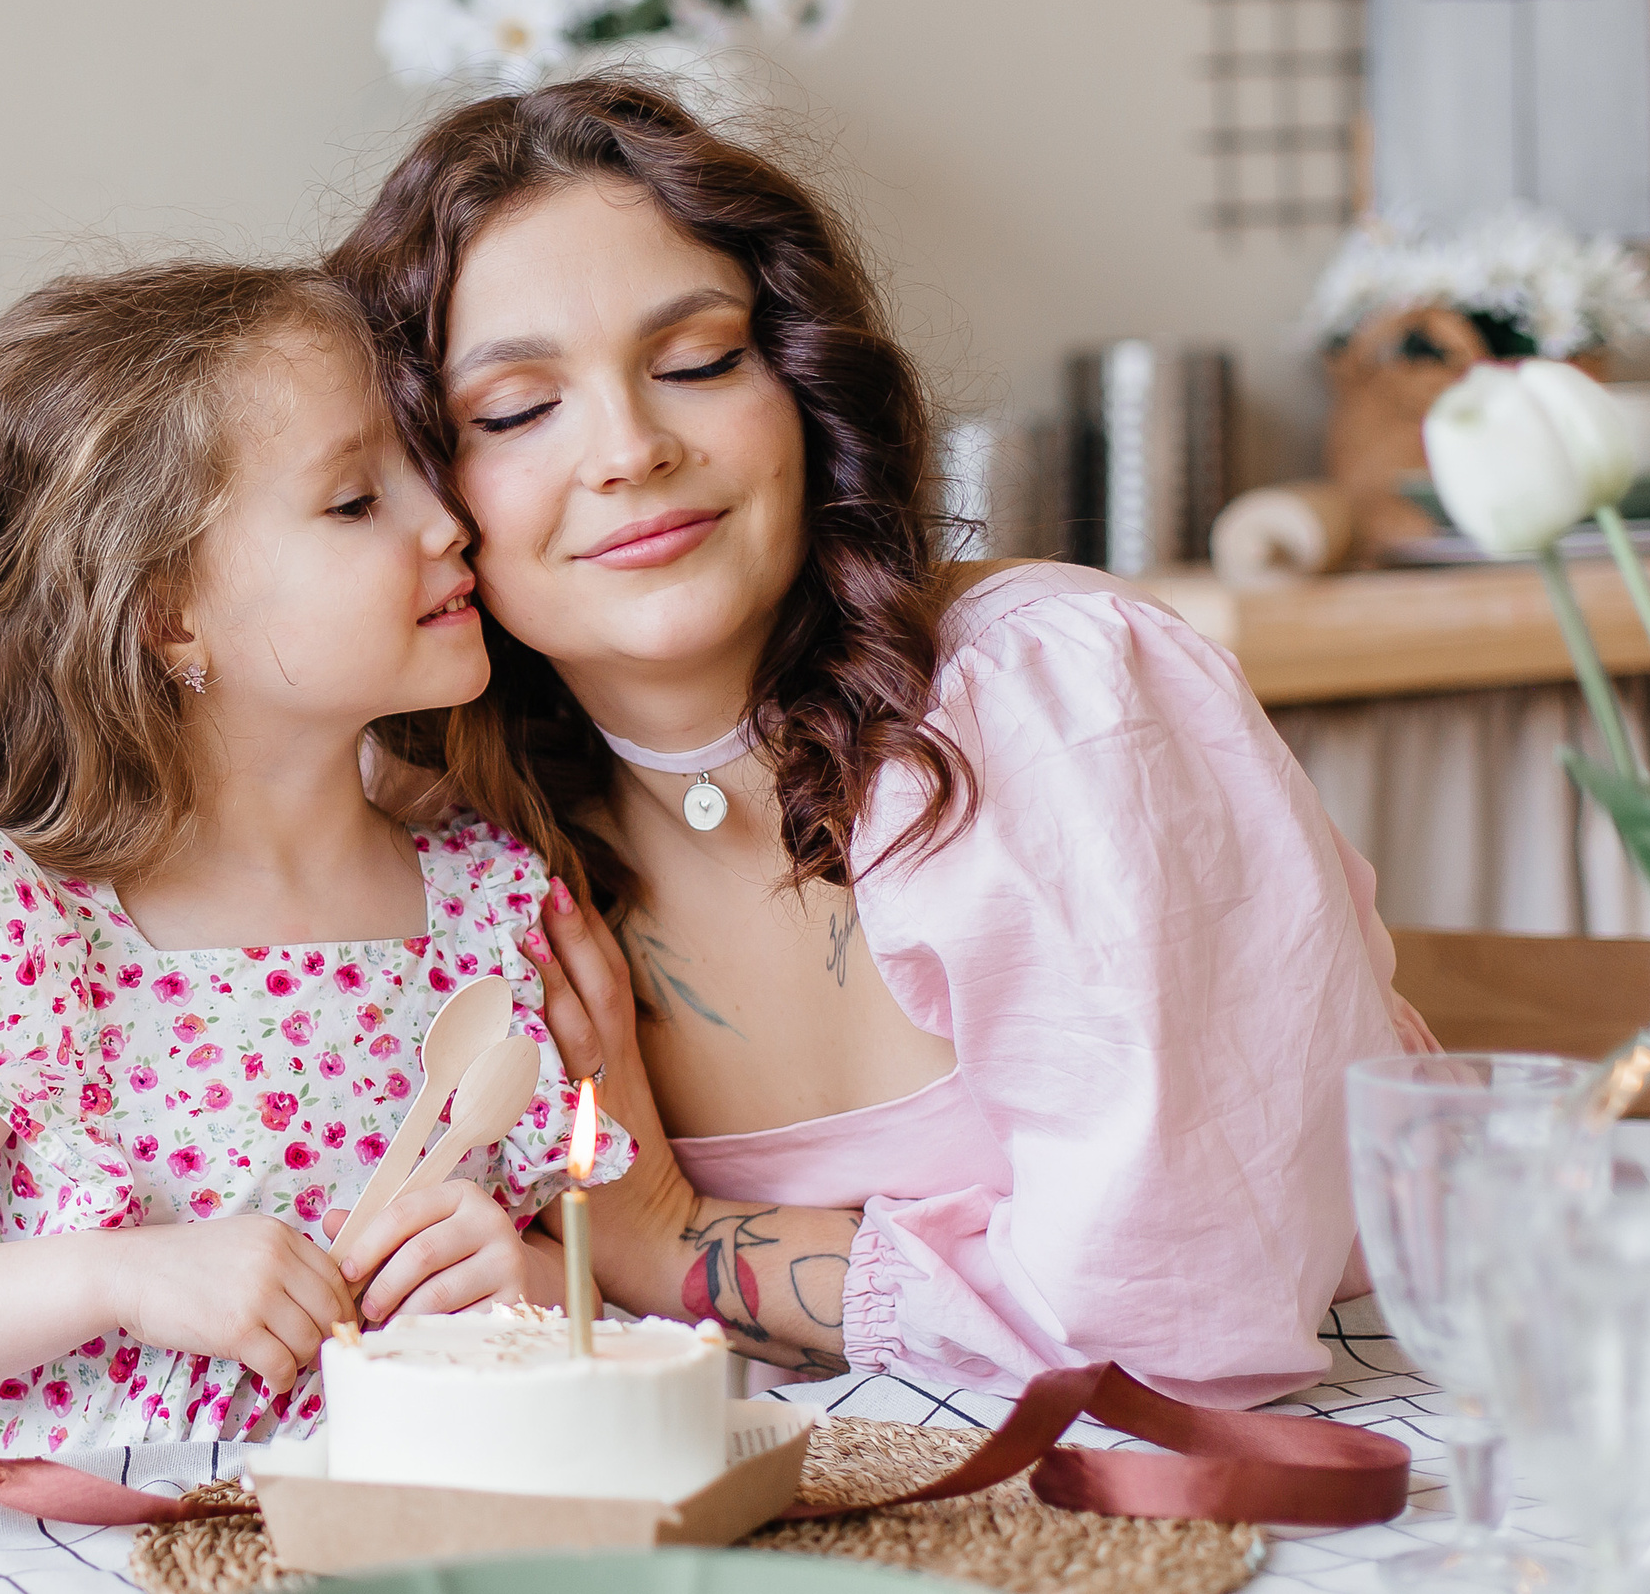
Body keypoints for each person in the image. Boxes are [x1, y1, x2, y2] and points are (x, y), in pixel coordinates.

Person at [333, 79, 1436, 1409]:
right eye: (512, 411)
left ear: (803, 389)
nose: (629, 448)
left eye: (697, 361)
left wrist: (669, 1243)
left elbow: (1174, 1324)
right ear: (421, 492)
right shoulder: (446, 835)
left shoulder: (1054, 698)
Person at [0, 262, 626, 1479]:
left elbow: (592, 1272)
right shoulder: (37, 936)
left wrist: (525, 1280)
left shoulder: (497, 907)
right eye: (354, 501)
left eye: (419, 467)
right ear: (167, 615)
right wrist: (119, 1273)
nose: (447, 520)